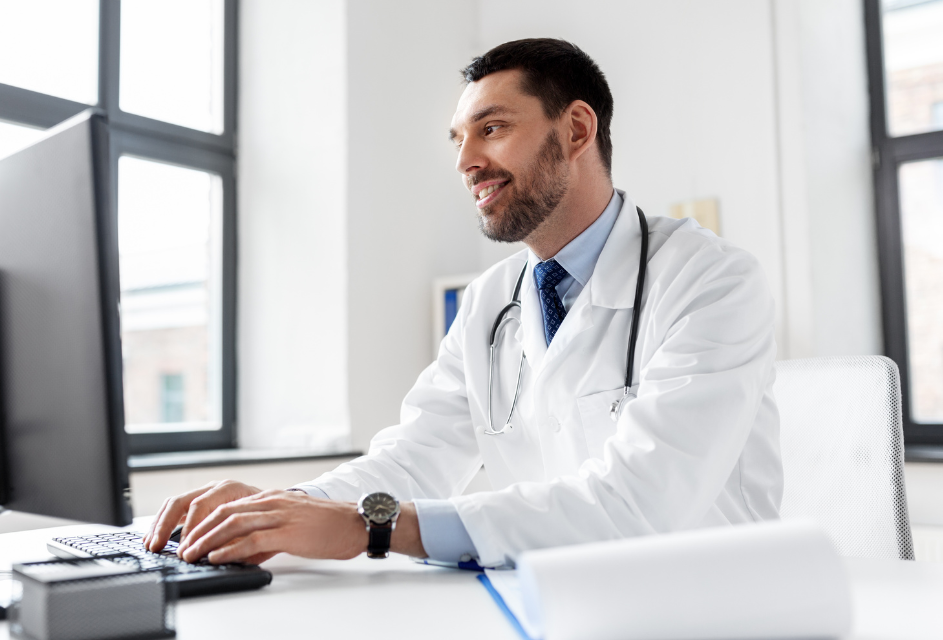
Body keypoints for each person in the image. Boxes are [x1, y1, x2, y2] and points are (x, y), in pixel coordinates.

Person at [144, 38, 782, 569]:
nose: (466, 162)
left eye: (493, 129)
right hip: (550, 600)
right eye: (458, 139)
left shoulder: (710, 281)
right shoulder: (489, 303)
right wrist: (279, 508)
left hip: (704, 605)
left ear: (578, 128)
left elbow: (640, 502)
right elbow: (414, 457)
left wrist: (374, 530)